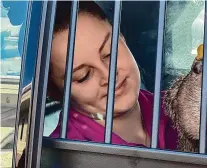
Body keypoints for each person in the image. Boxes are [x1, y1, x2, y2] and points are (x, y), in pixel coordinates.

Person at [47, 1, 177, 150]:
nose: (109, 75)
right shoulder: (57, 157)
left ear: (122, 38)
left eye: (110, 52)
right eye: (84, 76)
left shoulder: (180, 107)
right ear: (58, 93)